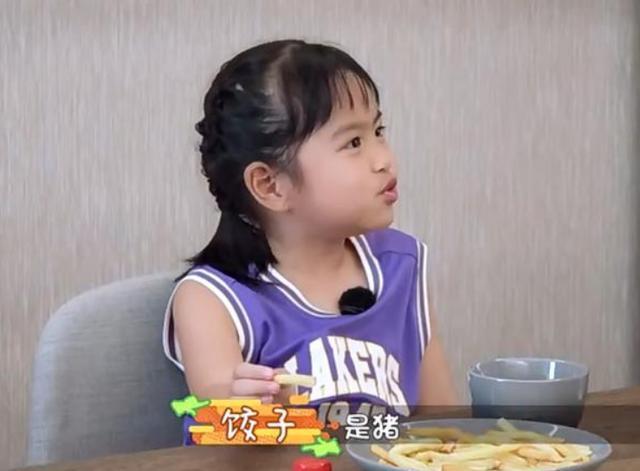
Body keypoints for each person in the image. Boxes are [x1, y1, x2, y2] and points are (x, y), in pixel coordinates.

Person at [162, 39, 458, 423]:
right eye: (353, 142)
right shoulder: (211, 298)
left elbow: (444, 426)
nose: (384, 160)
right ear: (271, 185)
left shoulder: (402, 266)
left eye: (378, 130)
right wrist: (249, 411)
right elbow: (219, 427)